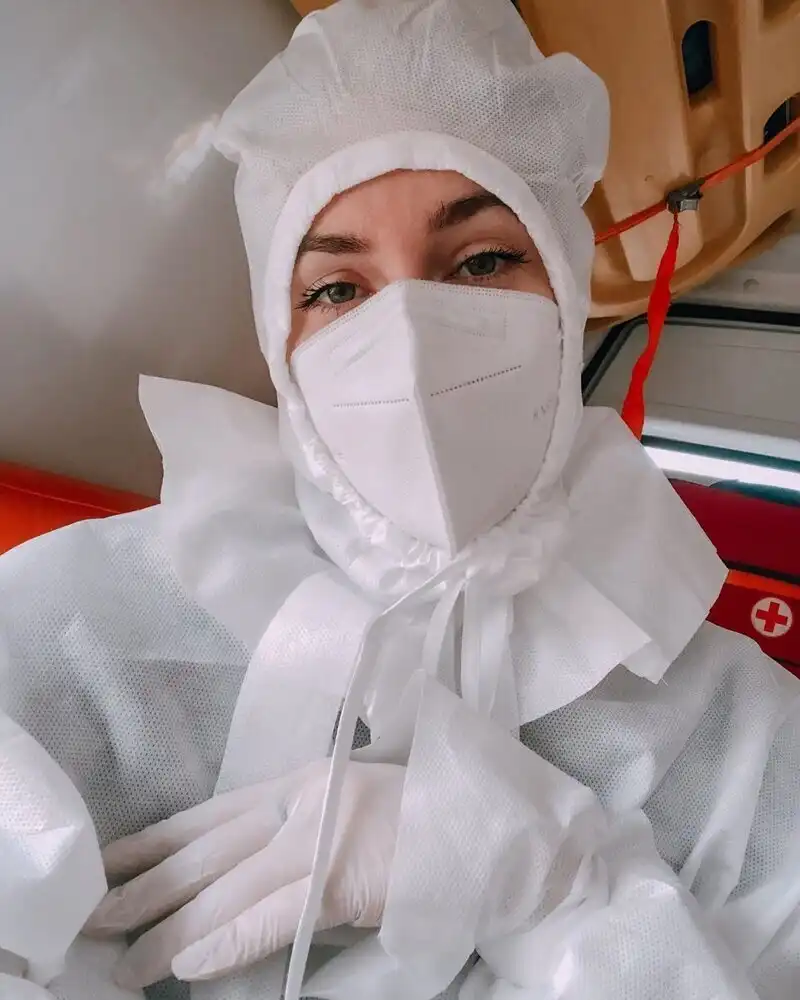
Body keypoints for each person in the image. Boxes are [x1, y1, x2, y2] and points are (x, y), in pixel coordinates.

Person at [1, 1, 799, 999]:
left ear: (562, 297)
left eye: (481, 262)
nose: (412, 330)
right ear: (278, 341)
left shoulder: (741, 734)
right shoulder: (80, 620)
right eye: (337, 289)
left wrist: (555, 885)